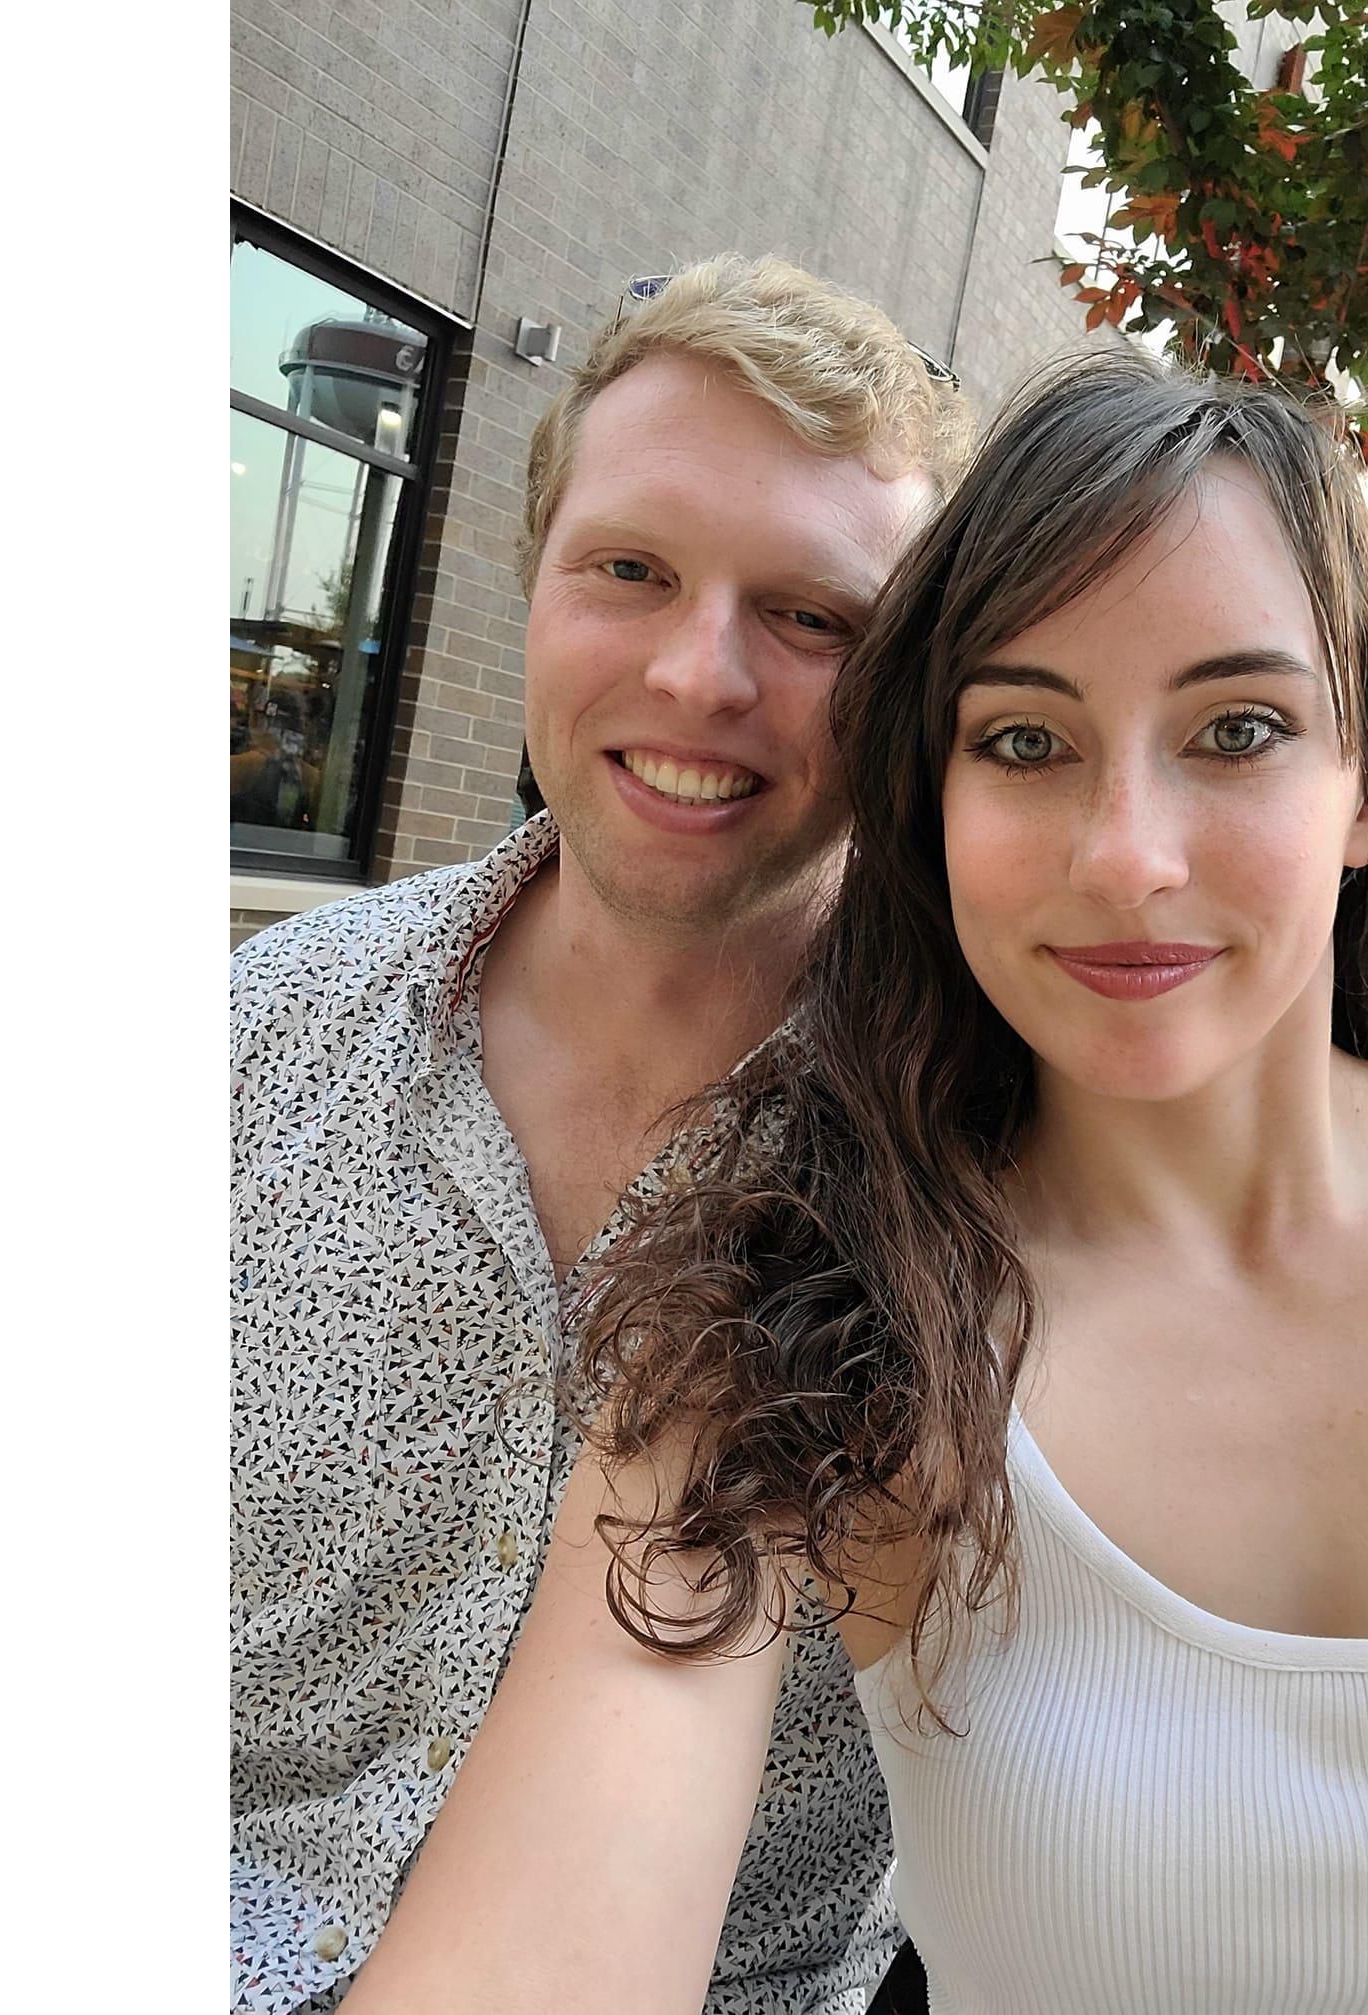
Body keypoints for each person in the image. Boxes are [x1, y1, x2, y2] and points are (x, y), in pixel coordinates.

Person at [348, 355, 1368, 2015]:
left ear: (1364, 791)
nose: (1129, 856)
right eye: (1025, 738)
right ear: (930, 809)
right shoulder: (794, 1315)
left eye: (1237, 730)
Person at [231, 256, 972, 2015]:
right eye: (630, 569)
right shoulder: (254, 1036)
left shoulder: (990, 1155)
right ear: (533, 584)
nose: (698, 670)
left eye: (814, 620)